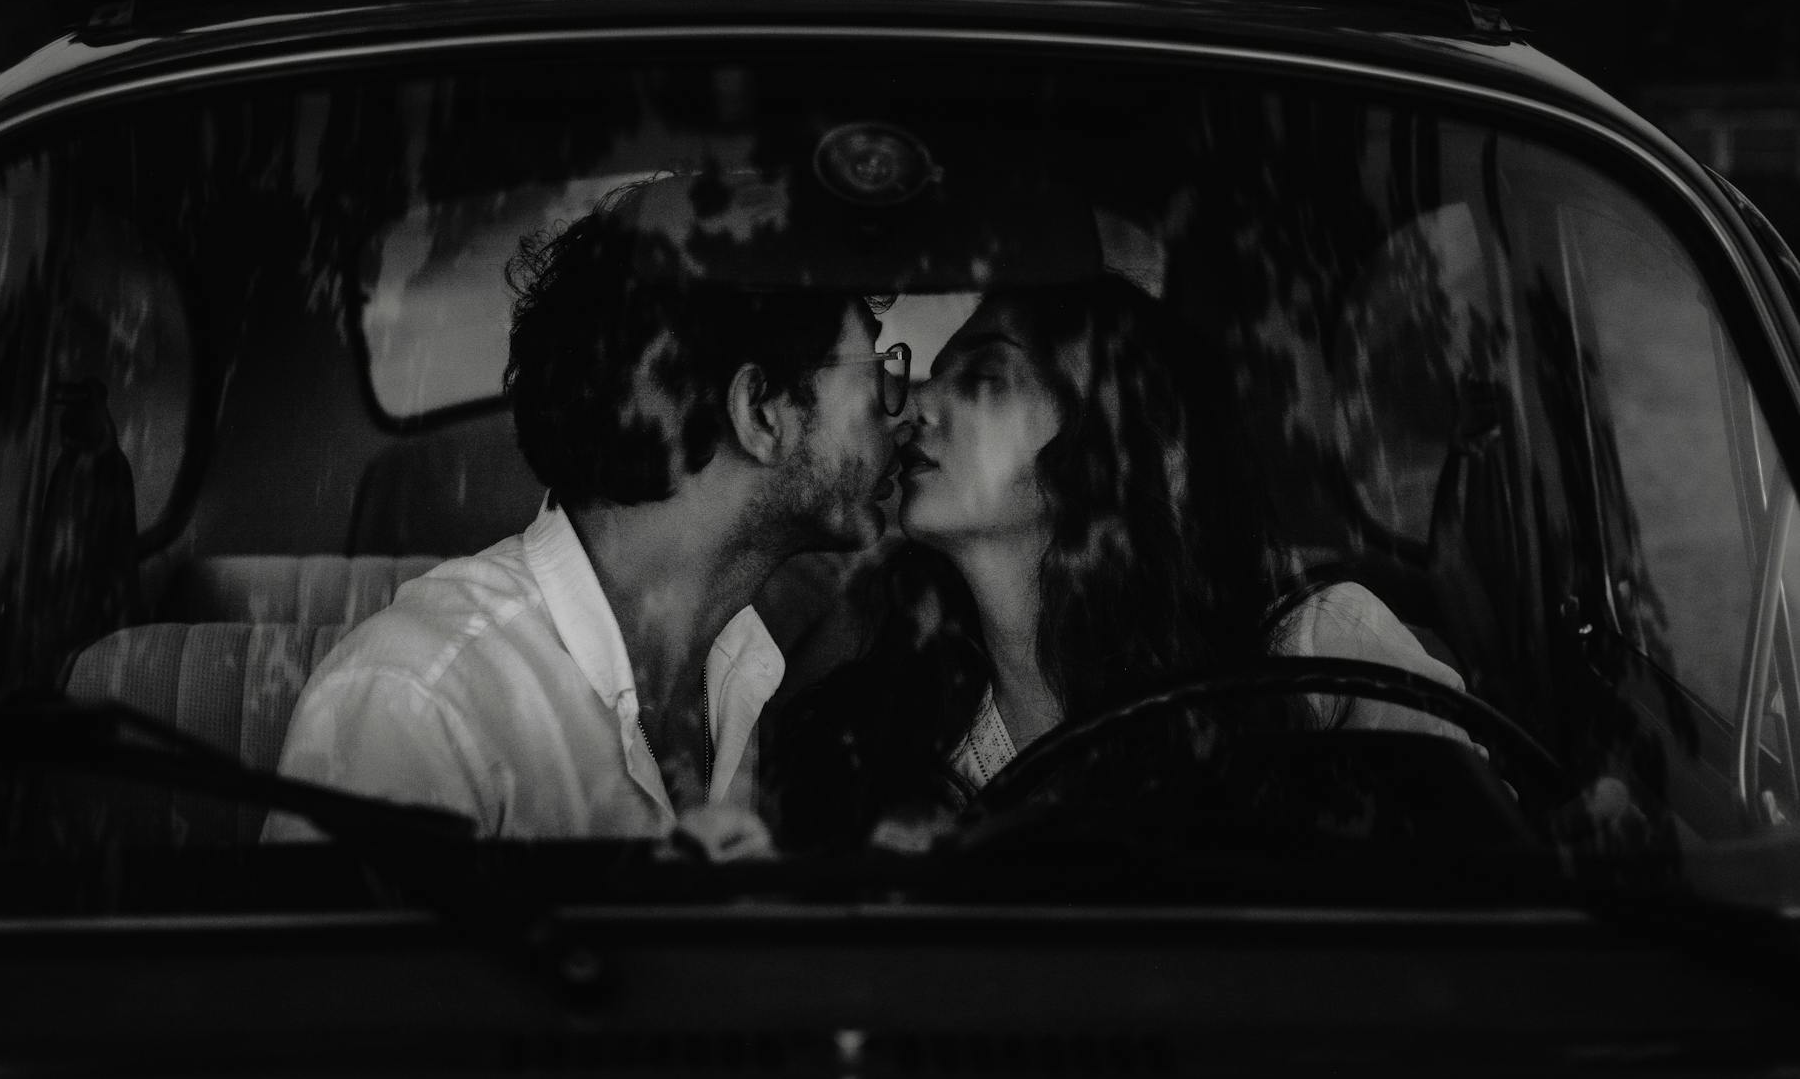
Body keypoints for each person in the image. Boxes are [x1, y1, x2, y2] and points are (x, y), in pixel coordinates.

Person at [264, 173, 906, 841]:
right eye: (876, 375)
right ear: (761, 413)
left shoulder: (755, 675)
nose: (902, 413)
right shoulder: (419, 705)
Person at [771, 271, 1470, 850]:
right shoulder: (894, 703)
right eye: (930, 374)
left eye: (985, 375)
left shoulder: (1316, 658)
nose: (914, 403)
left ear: (1113, 440)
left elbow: (1488, 904)